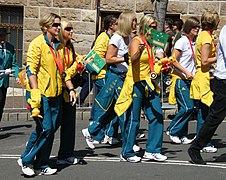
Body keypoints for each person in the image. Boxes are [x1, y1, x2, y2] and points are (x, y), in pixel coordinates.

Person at [17, 13, 76, 176]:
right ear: (46, 26)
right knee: (46, 128)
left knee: (48, 129)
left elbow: (63, 72)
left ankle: (42, 163)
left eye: (59, 25)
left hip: (56, 94)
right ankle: (26, 160)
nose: (58, 28)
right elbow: (31, 70)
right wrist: (35, 92)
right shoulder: (37, 44)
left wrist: (70, 89)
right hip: (41, 94)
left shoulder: (59, 46)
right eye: (55, 25)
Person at [115, 14, 169, 163]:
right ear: (144, 27)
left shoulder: (151, 43)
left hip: (149, 82)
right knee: (134, 119)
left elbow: (153, 61)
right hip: (136, 83)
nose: (153, 30)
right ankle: (126, 151)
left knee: (157, 115)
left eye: (155, 27)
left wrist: (161, 63)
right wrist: (139, 50)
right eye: (151, 27)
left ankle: (153, 150)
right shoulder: (136, 41)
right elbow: (132, 60)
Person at [82, 11, 137, 150]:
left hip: (122, 76)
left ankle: (93, 131)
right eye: (133, 21)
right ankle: (127, 142)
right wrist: (123, 60)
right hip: (109, 76)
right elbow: (103, 58)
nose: (135, 24)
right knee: (122, 108)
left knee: (113, 108)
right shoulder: (109, 38)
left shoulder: (129, 37)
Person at [188, 11, 221, 165]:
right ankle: (203, 142)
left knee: (207, 112)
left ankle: (202, 141)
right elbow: (205, 61)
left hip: (204, 75)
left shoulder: (203, 35)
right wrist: (219, 56)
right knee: (207, 113)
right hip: (204, 77)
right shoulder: (206, 38)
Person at [166, 17, 200, 144]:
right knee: (187, 107)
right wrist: (185, 72)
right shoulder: (182, 41)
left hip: (190, 79)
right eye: (195, 27)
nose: (197, 29)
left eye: (198, 27)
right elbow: (172, 59)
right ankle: (173, 130)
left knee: (185, 108)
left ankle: (182, 134)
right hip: (180, 78)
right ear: (188, 28)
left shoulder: (193, 43)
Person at [56, 20, 85, 165]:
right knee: (51, 126)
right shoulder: (57, 47)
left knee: (69, 125)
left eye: (72, 29)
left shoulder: (70, 46)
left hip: (69, 91)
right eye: (68, 29)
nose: (71, 32)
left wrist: (81, 62)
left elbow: (75, 61)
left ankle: (66, 154)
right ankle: (37, 157)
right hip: (57, 91)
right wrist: (75, 66)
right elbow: (63, 71)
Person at [88, 15, 119, 144]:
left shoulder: (110, 37)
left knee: (109, 104)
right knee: (107, 104)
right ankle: (100, 133)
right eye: (116, 23)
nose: (118, 25)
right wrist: (112, 60)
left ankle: (106, 133)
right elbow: (97, 57)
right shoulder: (103, 37)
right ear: (111, 25)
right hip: (102, 75)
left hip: (106, 74)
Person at [0, 28, 20, 129]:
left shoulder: (10, 48)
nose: (2, 38)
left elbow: (14, 64)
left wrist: (17, 76)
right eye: (0, 36)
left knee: (1, 103)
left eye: (4, 36)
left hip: (4, 81)